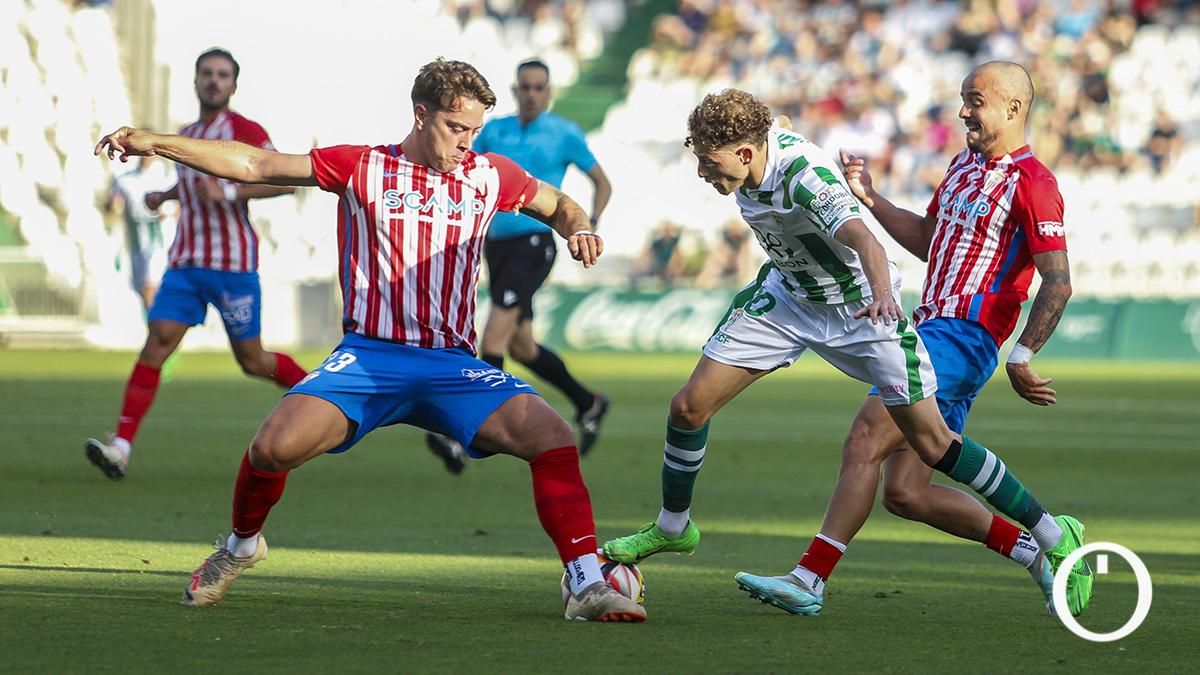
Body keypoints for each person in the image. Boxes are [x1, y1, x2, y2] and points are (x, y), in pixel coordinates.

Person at [94, 58, 646, 623]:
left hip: (452, 366)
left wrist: (580, 227)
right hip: (370, 358)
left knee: (552, 436)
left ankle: (585, 583)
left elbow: (559, 203)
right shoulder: (363, 166)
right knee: (270, 449)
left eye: (475, 130)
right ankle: (240, 547)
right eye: (457, 128)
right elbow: (258, 163)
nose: (467, 142)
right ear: (421, 114)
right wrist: (157, 143)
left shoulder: (490, 174)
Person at [601, 86, 1091, 619]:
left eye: (708, 162)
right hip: (791, 300)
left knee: (915, 442)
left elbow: (867, 242)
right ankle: (674, 526)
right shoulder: (961, 167)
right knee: (692, 407)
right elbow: (929, 238)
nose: (702, 172)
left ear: (743, 152)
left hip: (868, 312)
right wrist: (873, 194)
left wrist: (885, 296)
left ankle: (1047, 533)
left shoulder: (806, 176)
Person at [85, 48, 306, 480]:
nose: (214, 81)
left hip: (232, 265)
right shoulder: (189, 134)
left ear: (234, 84)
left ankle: (326, 399)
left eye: (222, 75)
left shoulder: (244, 131)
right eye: (207, 73)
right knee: (156, 344)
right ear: (195, 80)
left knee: (253, 361)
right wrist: (166, 196)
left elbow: (284, 182)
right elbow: (193, 185)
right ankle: (121, 447)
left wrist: (230, 193)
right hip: (186, 262)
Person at [424, 59, 614, 474]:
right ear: (515, 90)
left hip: (534, 243)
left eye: (538, 87)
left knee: (493, 336)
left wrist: (589, 224)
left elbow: (602, 182)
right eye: (525, 87)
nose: (531, 94)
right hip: (496, 244)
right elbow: (462, 171)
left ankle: (467, 432)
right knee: (521, 346)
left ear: (549, 92)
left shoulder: (564, 133)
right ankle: (588, 402)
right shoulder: (495, 131)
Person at [107, 155, 174, 311]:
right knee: (143, 289)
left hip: (159, 241)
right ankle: (154, 322)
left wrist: (166, 211)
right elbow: (113, 203)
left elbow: (178, 206)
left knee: (151, 287)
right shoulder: (125, 178)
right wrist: (114, 204)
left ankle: (157, 323)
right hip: (136, 242)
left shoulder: (166, 175)